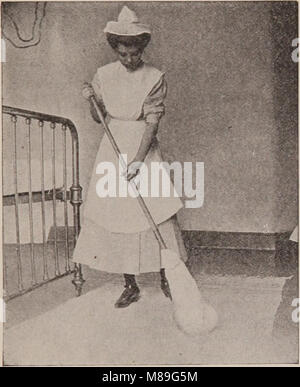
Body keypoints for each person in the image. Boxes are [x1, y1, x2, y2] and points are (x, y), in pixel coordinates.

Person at [72, 6, 188, 308]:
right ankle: (130, 283)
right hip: (112, 148)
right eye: (123, 53)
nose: (129, 59)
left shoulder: (154, 77)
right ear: (115, 48)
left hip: (142, 146)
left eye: (134, 53)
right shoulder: (103, 75)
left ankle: (168, 276)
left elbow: (152, 122)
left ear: (142, 47)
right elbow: (98, 118)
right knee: (119, 213)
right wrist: (92, 100)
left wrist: (138, 159)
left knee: (155, 211)